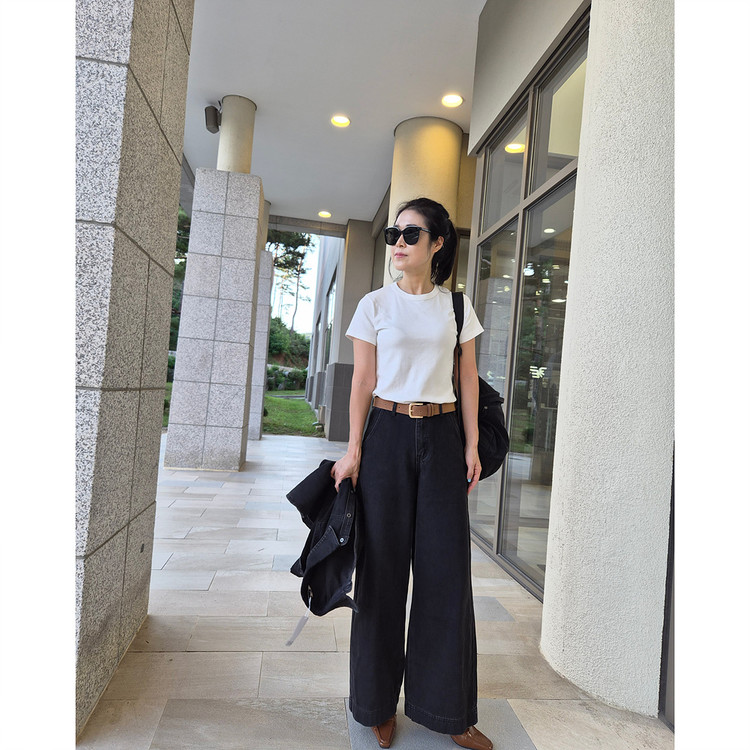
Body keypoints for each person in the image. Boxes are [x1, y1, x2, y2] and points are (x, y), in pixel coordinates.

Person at [331, 197, 492, 750]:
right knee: (382, 574)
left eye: (411, 234)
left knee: (446, 574)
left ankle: (449, 711)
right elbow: (362, 381)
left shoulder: (456, 308)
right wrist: (353, 450)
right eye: (393, 234)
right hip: (388, 434)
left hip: (443, 437)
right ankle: (375, 704)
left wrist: (472, 443)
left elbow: (467, 377)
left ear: (437, 243)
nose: (398, 242)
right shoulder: (374, 304)